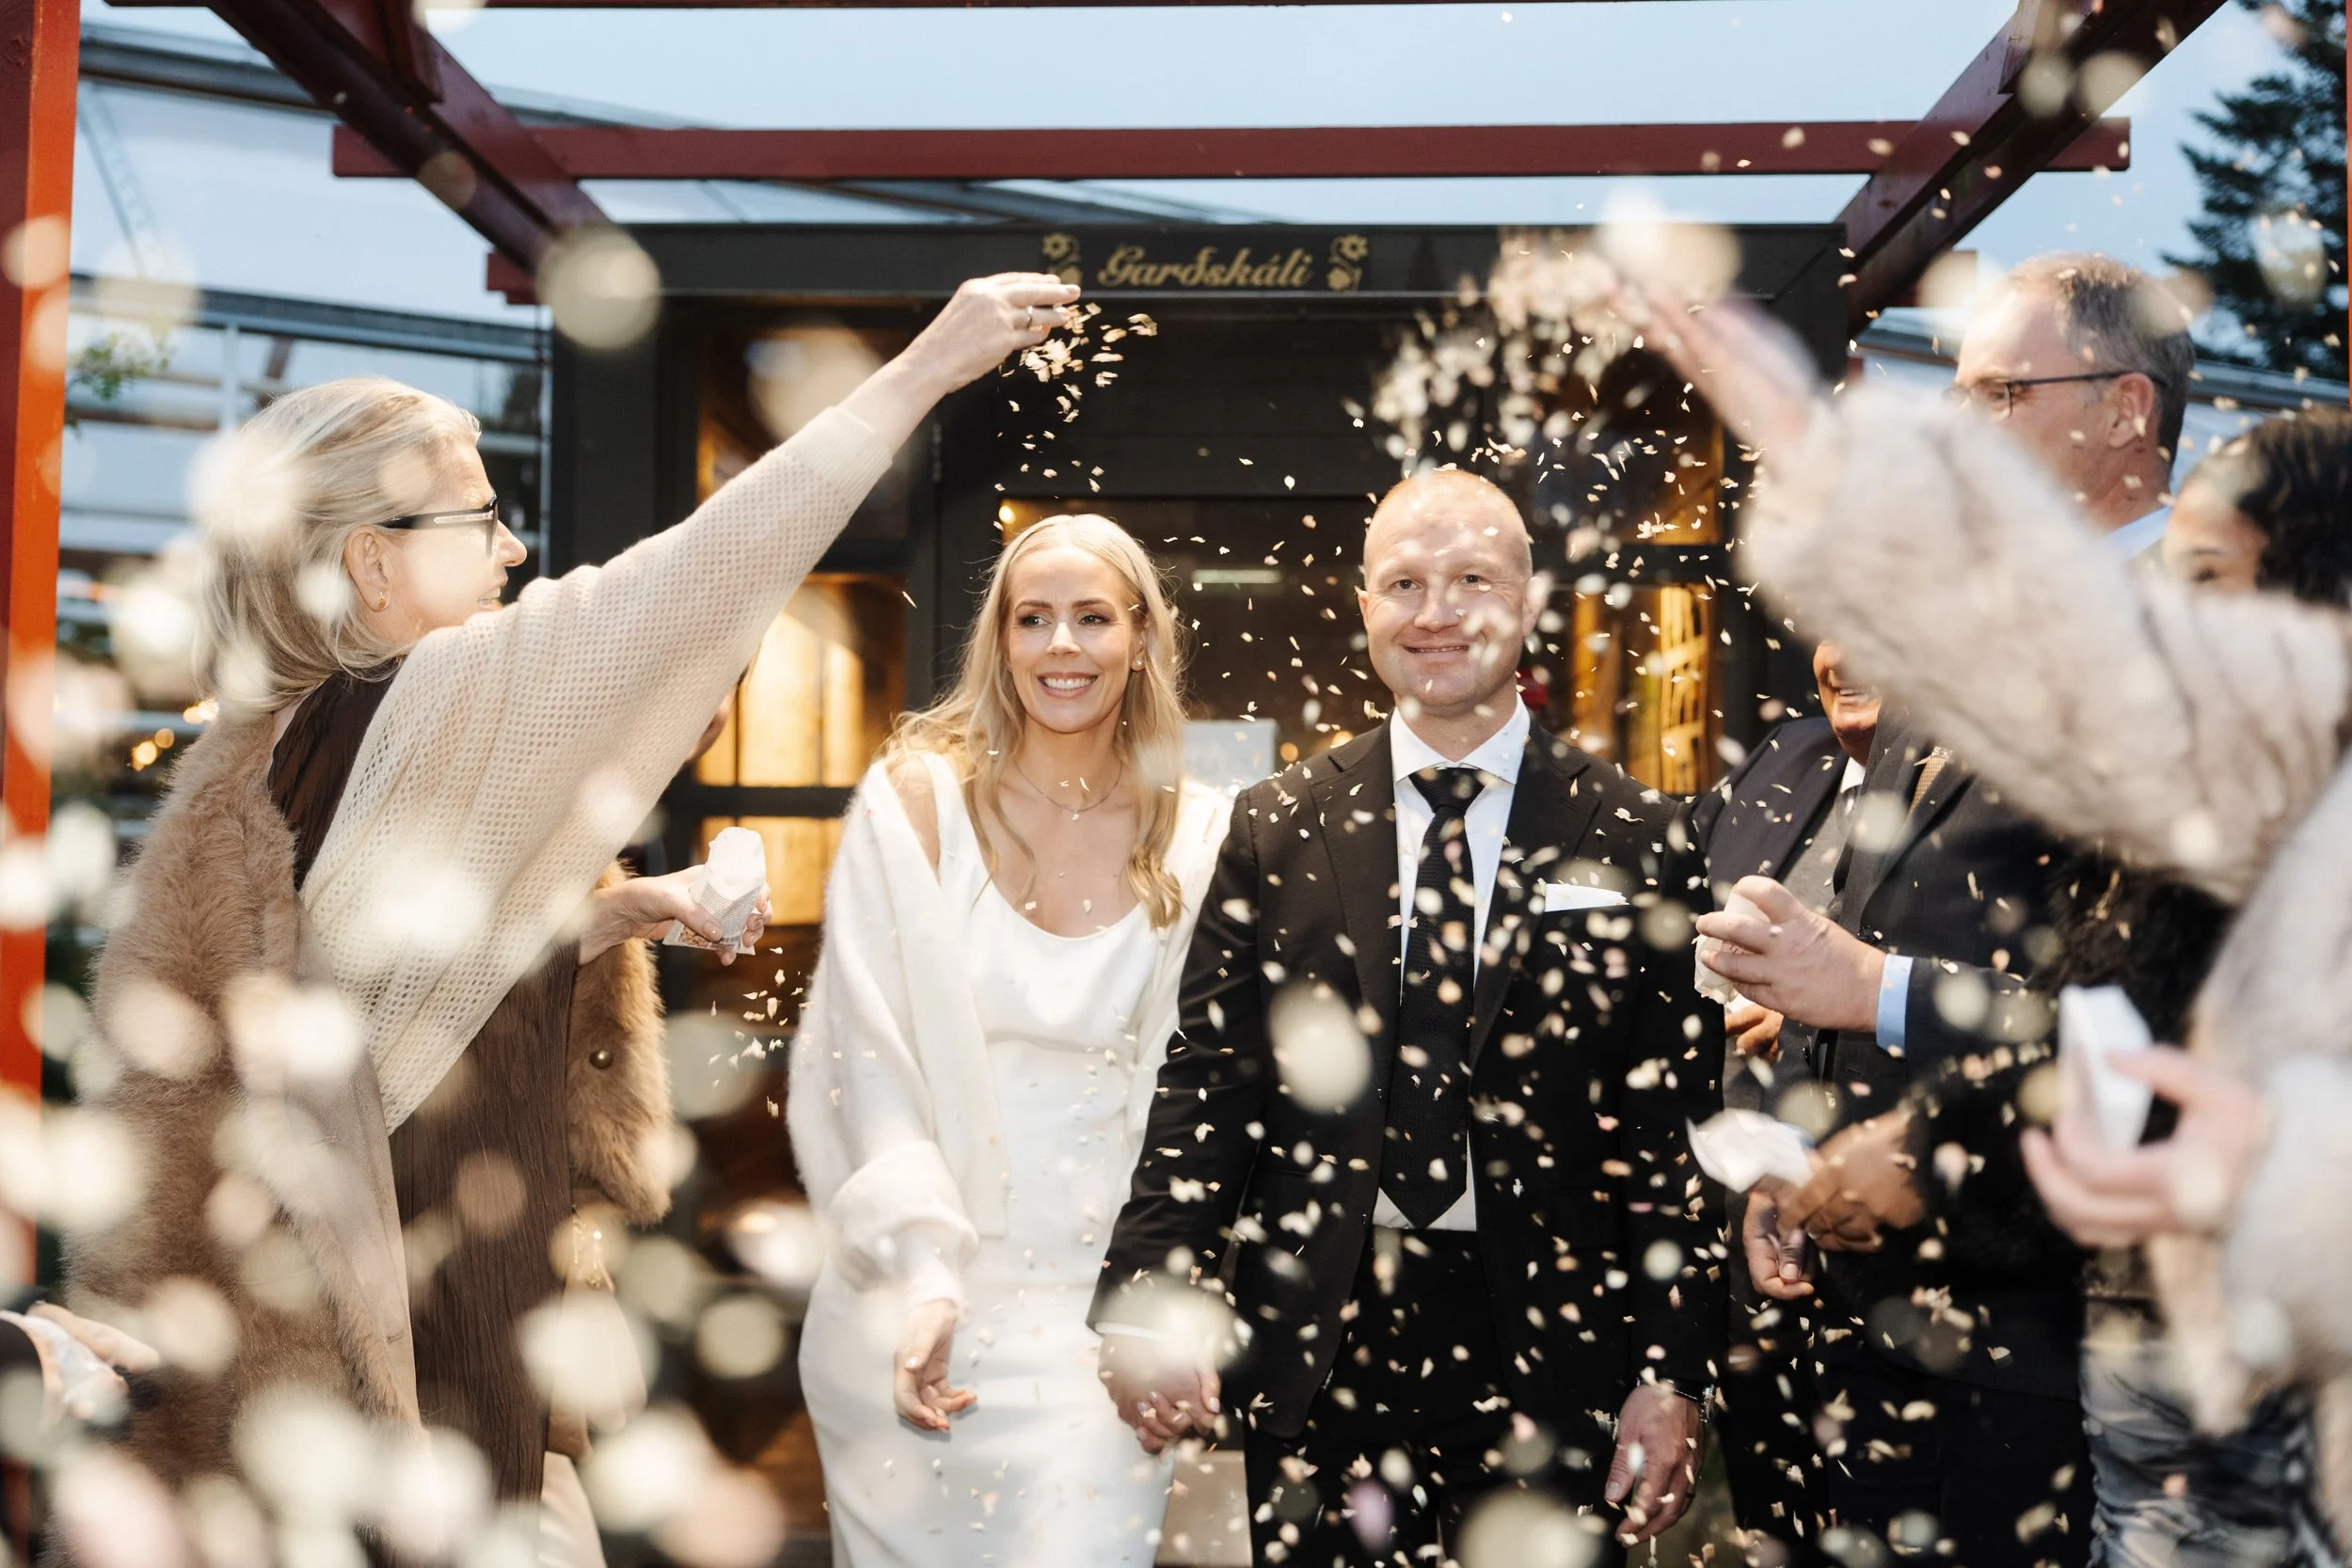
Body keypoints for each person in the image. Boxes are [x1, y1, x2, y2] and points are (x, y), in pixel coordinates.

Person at [60, 272, 1075, 1563]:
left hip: (404, 1388)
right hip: (425, 1413)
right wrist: (925, 365)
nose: (515, 547)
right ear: (373, 560)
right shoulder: (406, 706)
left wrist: (606, 919)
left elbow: (373, 996)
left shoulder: (293, 754)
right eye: (481, 515)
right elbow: (685, 585)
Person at [1623, 274, 2352, 1554]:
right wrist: (1799, 1162)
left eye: (2000, 395)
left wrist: (1881, 1004)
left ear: (2129, 409)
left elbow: (2164, 1021)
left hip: (2085, 1343)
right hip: (1883, 1339)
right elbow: (1843, 934)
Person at [1090, 467, 1724, 1567]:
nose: (1436, 613)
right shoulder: (1276, 824)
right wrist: (1149, 1296)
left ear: (1528, 601)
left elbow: (1673, 1129)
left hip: (1557, 1343)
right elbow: (1210, 1081)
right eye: (1404, 584)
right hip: (1320, 1334)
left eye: (1472, 579)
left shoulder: (1637, 836)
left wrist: (1671, 1371)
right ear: (1364, 606)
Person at [787, 513, 1232, 1568]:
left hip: (1099, 1316)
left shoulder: (1203, 829)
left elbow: (1203, 1091)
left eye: (1090, 618)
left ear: (1139, 640)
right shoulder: (913, 805)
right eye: (1032, 619)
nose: (1061, 646)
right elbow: (862, 1060)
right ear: (1000, 640)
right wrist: (924, 1271)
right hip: (907, 1298)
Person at [1690, 638, 1878, 1567]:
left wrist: (1816, 1005)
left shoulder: (1991, 775)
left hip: (1881, 1240)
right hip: (1737, 1232)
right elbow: (1681, 905)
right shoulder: (1789, 752)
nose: (1843, 651)